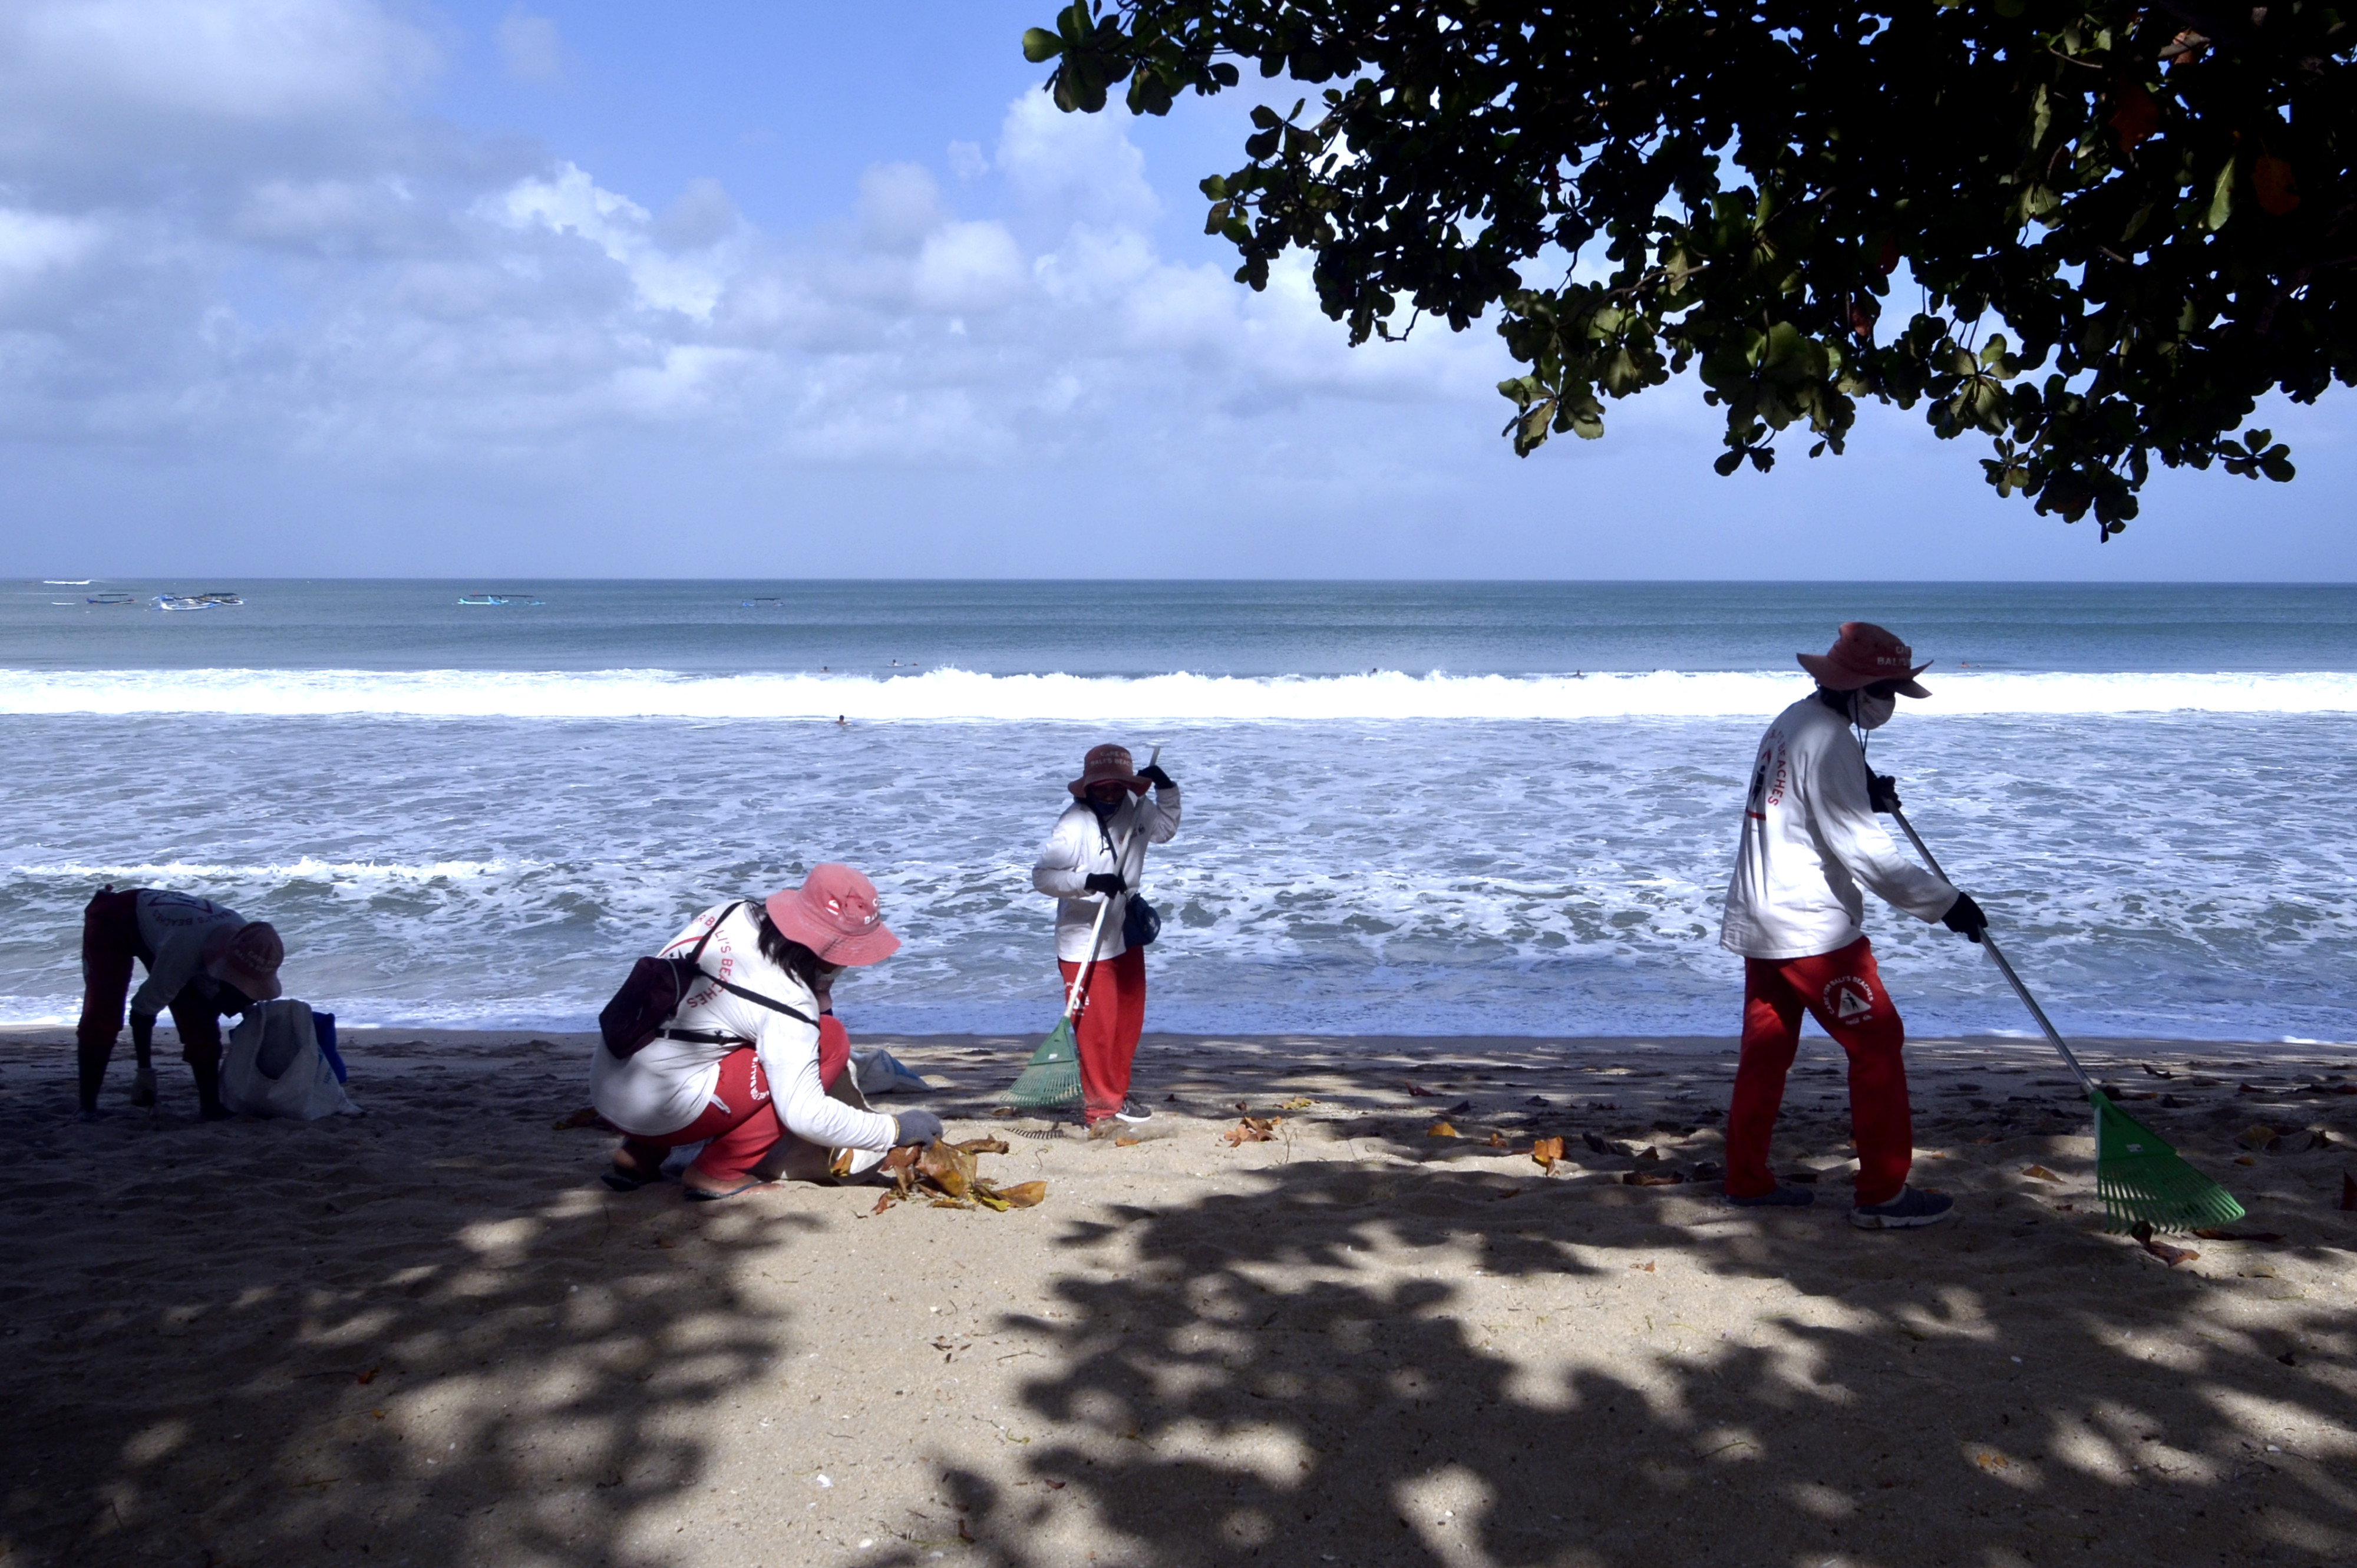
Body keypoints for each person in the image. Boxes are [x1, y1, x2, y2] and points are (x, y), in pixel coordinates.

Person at [1719, 623, 1989, 1229]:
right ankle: (1883, 1195)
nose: (1892, 702)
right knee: (1877, 1046)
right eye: (1888, 689)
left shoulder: (1793, 720)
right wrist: (1945, 903)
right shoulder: (1833, 741)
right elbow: (1863, 853)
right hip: (1809, 928)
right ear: (1858, 687)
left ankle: (1746, 1180)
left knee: (1765, 1055)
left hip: (1761, 916)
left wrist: (1862, 794)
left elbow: (1800, 806)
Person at [589, 864, 943, 1201]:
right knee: (830, 1040)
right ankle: (718, 1172)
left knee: (702, 1033)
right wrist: (896, 1129)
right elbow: (804, 1114)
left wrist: (818, 990)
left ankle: (639, 1155)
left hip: (611, 1082)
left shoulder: (731, 912)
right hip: (663, 1111)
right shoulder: (787, 1000)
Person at [1031, 744, 1181, 1129]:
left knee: (1125, 1025)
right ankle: (1099, 1108)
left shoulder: (1136, 810)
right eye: (1103, 787)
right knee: (1096, 1031)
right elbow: (1043, 877)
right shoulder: (1073, 824)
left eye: (1119, 785)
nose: (1112, 793)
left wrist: (1168, 792)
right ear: (1088, 787)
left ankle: (1115, 1094)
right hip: (1084, 940)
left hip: (1123, 932)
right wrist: (1089, 882)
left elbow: (1164, 830)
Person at [76, 886, 285, 1121]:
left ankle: (210, 1105)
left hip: (171, 928)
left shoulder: (249, 939)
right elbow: (142, 1011)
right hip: (114, 919)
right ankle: (87, 1106)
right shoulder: (184, 953)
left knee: (201, 1021)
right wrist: (145, 1072)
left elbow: (226, 996)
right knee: (104, 1014)